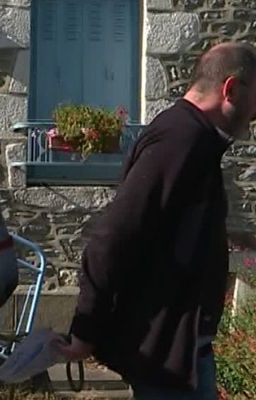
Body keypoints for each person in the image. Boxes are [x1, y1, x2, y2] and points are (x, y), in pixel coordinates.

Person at [53, 42, 256, 399]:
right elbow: (113, 237)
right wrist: (86, 330)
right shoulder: (182, 139)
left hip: (180, 356)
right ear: (231, 89)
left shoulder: (193, 138)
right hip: (168, 363)